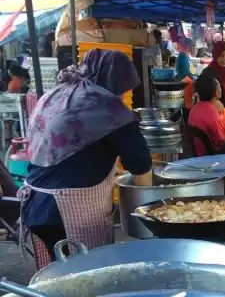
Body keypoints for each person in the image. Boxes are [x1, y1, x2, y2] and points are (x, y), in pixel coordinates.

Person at [23, 49, 152, 265]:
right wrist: (150, 210)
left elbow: (73, 150)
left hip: (35, 205)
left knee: (55, 277)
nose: (121, 96)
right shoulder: (107, 107)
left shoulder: (59, 94)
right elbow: (140, 164)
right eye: (121, 89)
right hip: (70, 211)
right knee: (87, 277)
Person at [188, 70, 225, 156]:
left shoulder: (195, 108)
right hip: (211, 155)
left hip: (198, 152)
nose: (221, 88)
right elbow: (222, 143)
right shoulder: (211, 111)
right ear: (215, 92)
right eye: (219, 86)